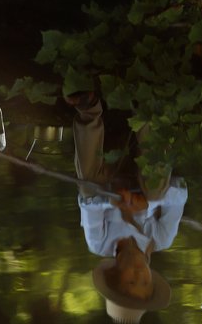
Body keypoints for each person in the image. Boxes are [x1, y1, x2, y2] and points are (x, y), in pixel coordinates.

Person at [67, 91, 187, 322]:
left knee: (88, 188)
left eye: (132, 281)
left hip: (109, 166)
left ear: (115, 274)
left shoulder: (99, 243)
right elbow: (180, 192)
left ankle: (88, 110)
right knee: (156, 190)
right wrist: (148, 203)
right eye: (145, 281)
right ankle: (147, 108)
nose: (140, 274)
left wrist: (115, 200)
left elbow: (88, 204)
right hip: (146, 166)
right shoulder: (161, 239)